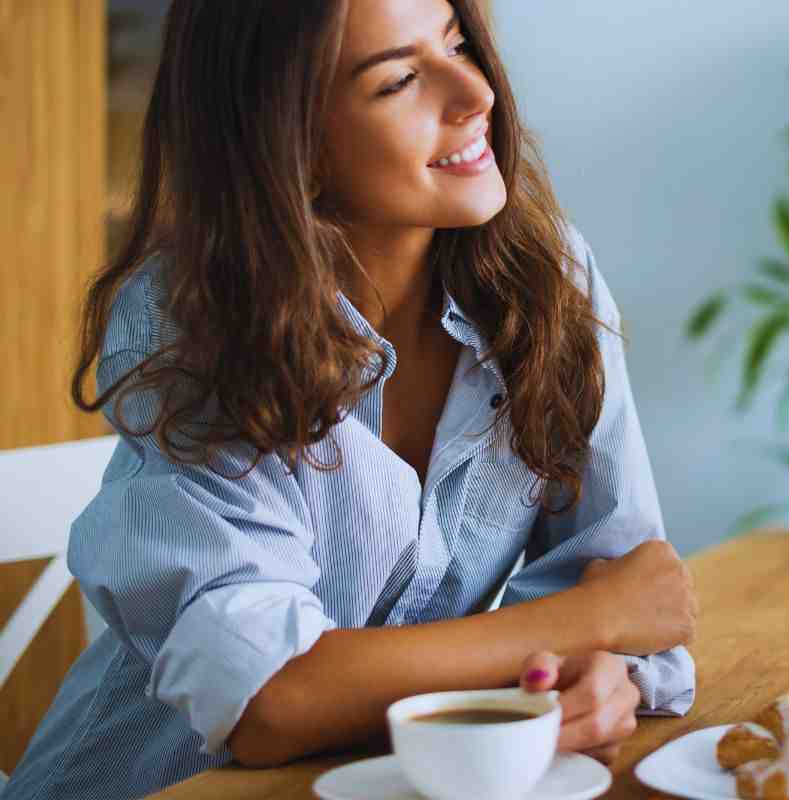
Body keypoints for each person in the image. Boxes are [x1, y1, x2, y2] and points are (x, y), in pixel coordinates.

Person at [0, 2, 697, 798]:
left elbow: (636, 595)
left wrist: (595, 674)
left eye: (457, 42)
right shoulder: (187, 323)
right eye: (399, 79)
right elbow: (268, 699)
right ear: (288, 141)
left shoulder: (549, 282)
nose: (476, 92)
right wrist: (579, 626)